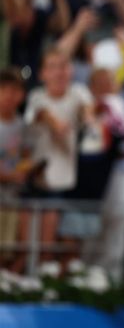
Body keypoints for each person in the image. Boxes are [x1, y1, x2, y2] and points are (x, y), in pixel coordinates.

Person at [22, 48, 94, 263]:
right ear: (42, 73)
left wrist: (90, 121)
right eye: (53, 67)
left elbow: (86, 110)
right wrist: (55, 124)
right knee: (26, 248)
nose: (60, 73)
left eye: (64, 66)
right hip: (33, 181)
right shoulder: (36, 97)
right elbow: (41, 114)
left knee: (52, 249)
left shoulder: (79, 93)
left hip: (63, 184)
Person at [0, 68, 31, 269]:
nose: (10, 96)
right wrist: (10, 177)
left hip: (14, 198)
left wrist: (27, 170)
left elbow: (25, 156)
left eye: (16, 91)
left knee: (12, 250)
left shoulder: (22, 125)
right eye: (5, 90)